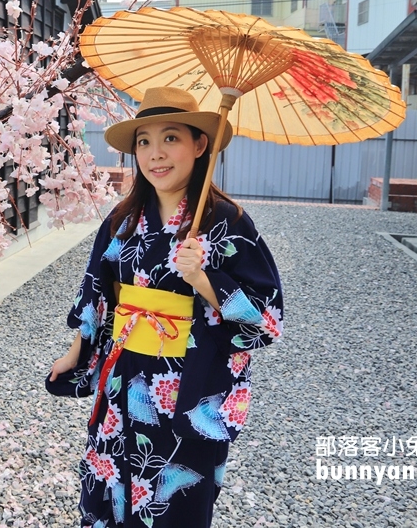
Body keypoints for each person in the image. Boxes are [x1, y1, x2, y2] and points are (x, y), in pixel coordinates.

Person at [47, 86, 283, 528]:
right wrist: (77, 353)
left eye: (171, 138)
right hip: (124, 383)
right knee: (110, 494)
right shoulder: (122, 220)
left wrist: (206, 279)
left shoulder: (227, 223)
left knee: (175, 509)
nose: (156, 154)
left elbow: (267, 318)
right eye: (144, 141)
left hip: (189, 391)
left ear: (200, 145)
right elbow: (99, 293)